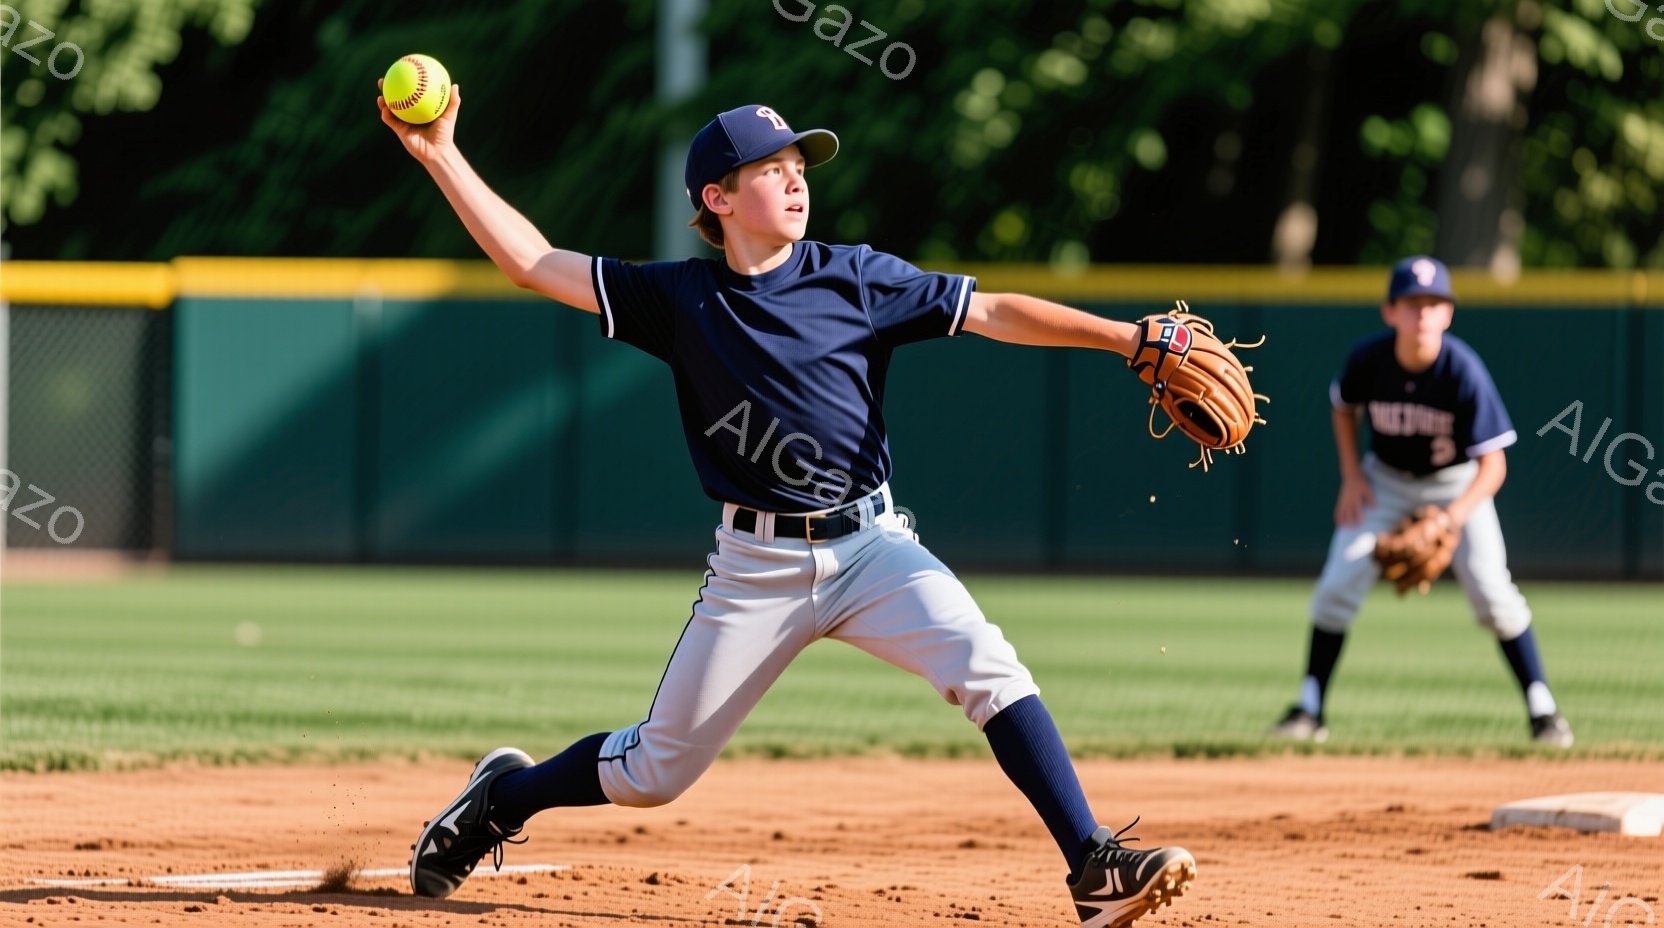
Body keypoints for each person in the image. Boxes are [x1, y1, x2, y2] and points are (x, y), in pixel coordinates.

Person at [378, 86, 1197, 928]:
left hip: (874, 548)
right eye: (770, 169)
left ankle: (1093, 865)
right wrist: (441, 153)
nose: (797, 180)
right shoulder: (680, 299)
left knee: (985, 666)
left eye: (799, 165)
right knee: (653, 774)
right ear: (717, 198)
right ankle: (503, 799)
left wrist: (1126, 338)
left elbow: (991, 310)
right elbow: (533, 262)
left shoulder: (858, 278)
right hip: (755, 569)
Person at [1268, 256, 1573, 748]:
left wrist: (1449, 521)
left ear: (1448, 314)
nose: (1423, 314)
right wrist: (1350, 475)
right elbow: (1342, 406)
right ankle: (1309, 708)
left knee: (1494, 594)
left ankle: (1544, 710)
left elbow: (1494, 466)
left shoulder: (1463, 370)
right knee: (1335, 586)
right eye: (1412, 304)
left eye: (1434, 304)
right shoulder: (1368, 360)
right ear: (1390, 312)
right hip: (1384, 481)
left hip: (1456, 486)